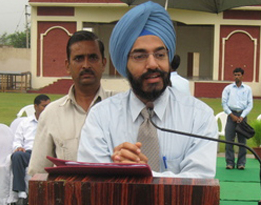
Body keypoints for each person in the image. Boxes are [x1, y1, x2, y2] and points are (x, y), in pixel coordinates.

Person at [78, 1, 218, 178]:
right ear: (124, 64)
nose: (153, 64)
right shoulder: (101, 117)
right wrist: (114, 171)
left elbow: (199, 183)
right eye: (140, 56)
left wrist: (139, 175)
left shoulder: (199, 117)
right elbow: (90, 182)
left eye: (160, 55)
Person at [28, 31, 116, 176]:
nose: (86, 65)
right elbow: (38, 173)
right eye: (79, 59)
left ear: (103, 63)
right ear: (68, 65)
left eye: (93, 58)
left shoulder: (119, 108)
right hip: (68, 197)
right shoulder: (52, 114)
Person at [12, 94, 50, 205]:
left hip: (46, 154)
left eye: (49, 106)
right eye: (44, 106)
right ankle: (22, 194)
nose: (47, 109)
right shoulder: (25, 123)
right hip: (29, 153)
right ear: (35, 107)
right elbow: (17, 140)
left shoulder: (53, 122)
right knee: (17, 156)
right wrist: (18, 147)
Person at [221, 67, 253, 170]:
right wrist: (231, 115)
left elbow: (250, 104)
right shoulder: (228, 89)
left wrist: (242, 116)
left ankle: (241, 163)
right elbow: (224, 103)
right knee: (229, 140)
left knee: (242, 142)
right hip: (231, 116)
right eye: (235, 75)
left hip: (242, 116)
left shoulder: (247, 89)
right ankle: (230, 162)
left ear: (242, 76)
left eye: (239, 75)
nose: (237, 77)